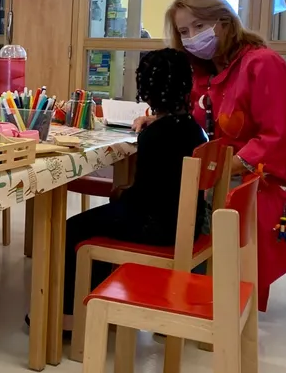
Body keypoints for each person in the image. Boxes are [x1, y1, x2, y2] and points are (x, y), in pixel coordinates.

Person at [163, 0, 286, 311]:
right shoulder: (206, 70)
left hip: (274, 181)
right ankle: (186, 289)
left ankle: (218, 299)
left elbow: (276, 138)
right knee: (172, 196)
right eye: (183, 32)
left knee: (202, 204)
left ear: (223, 21)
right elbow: (191, 114)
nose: (192, 37)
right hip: (228, 172)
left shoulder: (262, 64)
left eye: (199, 26)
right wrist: (157, 117)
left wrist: (226, 166)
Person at [52, 49, 208, 324]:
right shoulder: (194, 129)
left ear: (145, 90)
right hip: (185, 223)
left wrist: (121, 193)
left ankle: (69, 312)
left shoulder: (156, 136)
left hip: (156, 226)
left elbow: (142, 197)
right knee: (103, 220)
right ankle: (94, 297)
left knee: (75, 228)